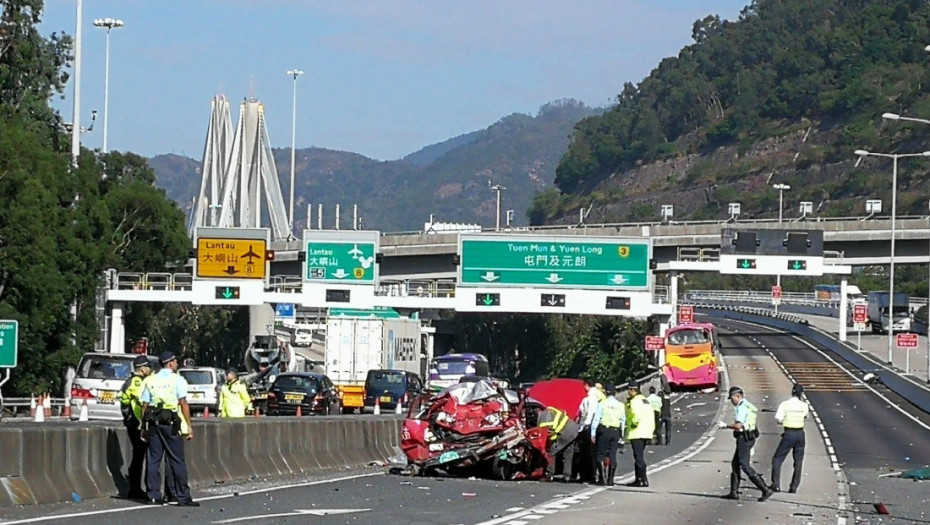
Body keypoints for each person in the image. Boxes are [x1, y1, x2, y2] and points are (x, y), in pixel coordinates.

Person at [141, 351, 199, 507]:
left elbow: (144, 405)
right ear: (170, 363)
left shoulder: (150, 380)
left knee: (154, 459)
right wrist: (189, 426)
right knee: (177, 460)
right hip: (170, 422)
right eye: (176, 361)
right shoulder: (177, 380)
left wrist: (143, 427)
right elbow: (183, 403)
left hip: (153, 422)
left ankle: (153, 495)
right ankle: (182, 496)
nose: (177, 364)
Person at [717, 386, 773, 502]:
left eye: (732, 398)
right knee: (735, 463)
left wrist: (725, 426)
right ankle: (734, 492)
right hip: (749, 436)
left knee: (744, 464)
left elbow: (738, 425)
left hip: (744, 438)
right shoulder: (748, 405)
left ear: (738, 396)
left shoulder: (742, 407)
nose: (731, 401)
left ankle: (765, 489)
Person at [118, 355, 153, 500]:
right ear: (142, 368)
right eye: (148, 366)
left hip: (136, 422)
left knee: (140, 455)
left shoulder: (138, 380)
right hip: (136, 423)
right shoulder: (136, 382)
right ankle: (135, 488)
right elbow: (143, 400)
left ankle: (137, 487)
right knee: (139, 455)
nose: (150, 369)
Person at [770, 383, 810, 494]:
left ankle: (776, 485)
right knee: (798, 461)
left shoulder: (785, 404)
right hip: (800, 434)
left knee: (777, 459)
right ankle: (794, 487)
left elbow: (779, 419)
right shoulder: (804, 405)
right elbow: (805, 416)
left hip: (789, 433)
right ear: (801, 394)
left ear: (792, 392)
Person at [591, 384, 625, 486]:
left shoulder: (602, 403)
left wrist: (593, 433)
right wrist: (621, 435)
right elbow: (622, 421)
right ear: (615, 393)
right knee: (612, 455)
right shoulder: (620, 405)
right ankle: (611, 480)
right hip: (615, 431)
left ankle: (602, 478)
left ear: (605, 392)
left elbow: (596, 419)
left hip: (604, 430)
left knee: (600, 454)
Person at [624, 380, 655, 487]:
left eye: (629, 390)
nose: (628, 392)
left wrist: (632, 424)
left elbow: (635, 416)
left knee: (638, 457)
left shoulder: (635, 401)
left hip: (637, 432)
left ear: (633, 390)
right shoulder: (645, 400)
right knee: (640, 455)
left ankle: (640, 479)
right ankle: (643, 479)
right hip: (646, 431)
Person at [539, 406, 580, 482]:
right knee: (568, 452)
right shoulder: (551, 410)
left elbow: (550, 435)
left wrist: (547, 446)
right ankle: (567, 476)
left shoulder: (543, 420)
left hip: (565, 432)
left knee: (551, 452)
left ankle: (549, 475)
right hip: (574, 429)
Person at [576, 378, 604, 482]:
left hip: (589, 427)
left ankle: (588, 476)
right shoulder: (600, 395)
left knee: (587, 453)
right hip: (599, 426)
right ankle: (596, 475)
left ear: (587, 385)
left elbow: (589, 413)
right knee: (595, 453)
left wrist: (584, 426)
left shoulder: (591, 397)